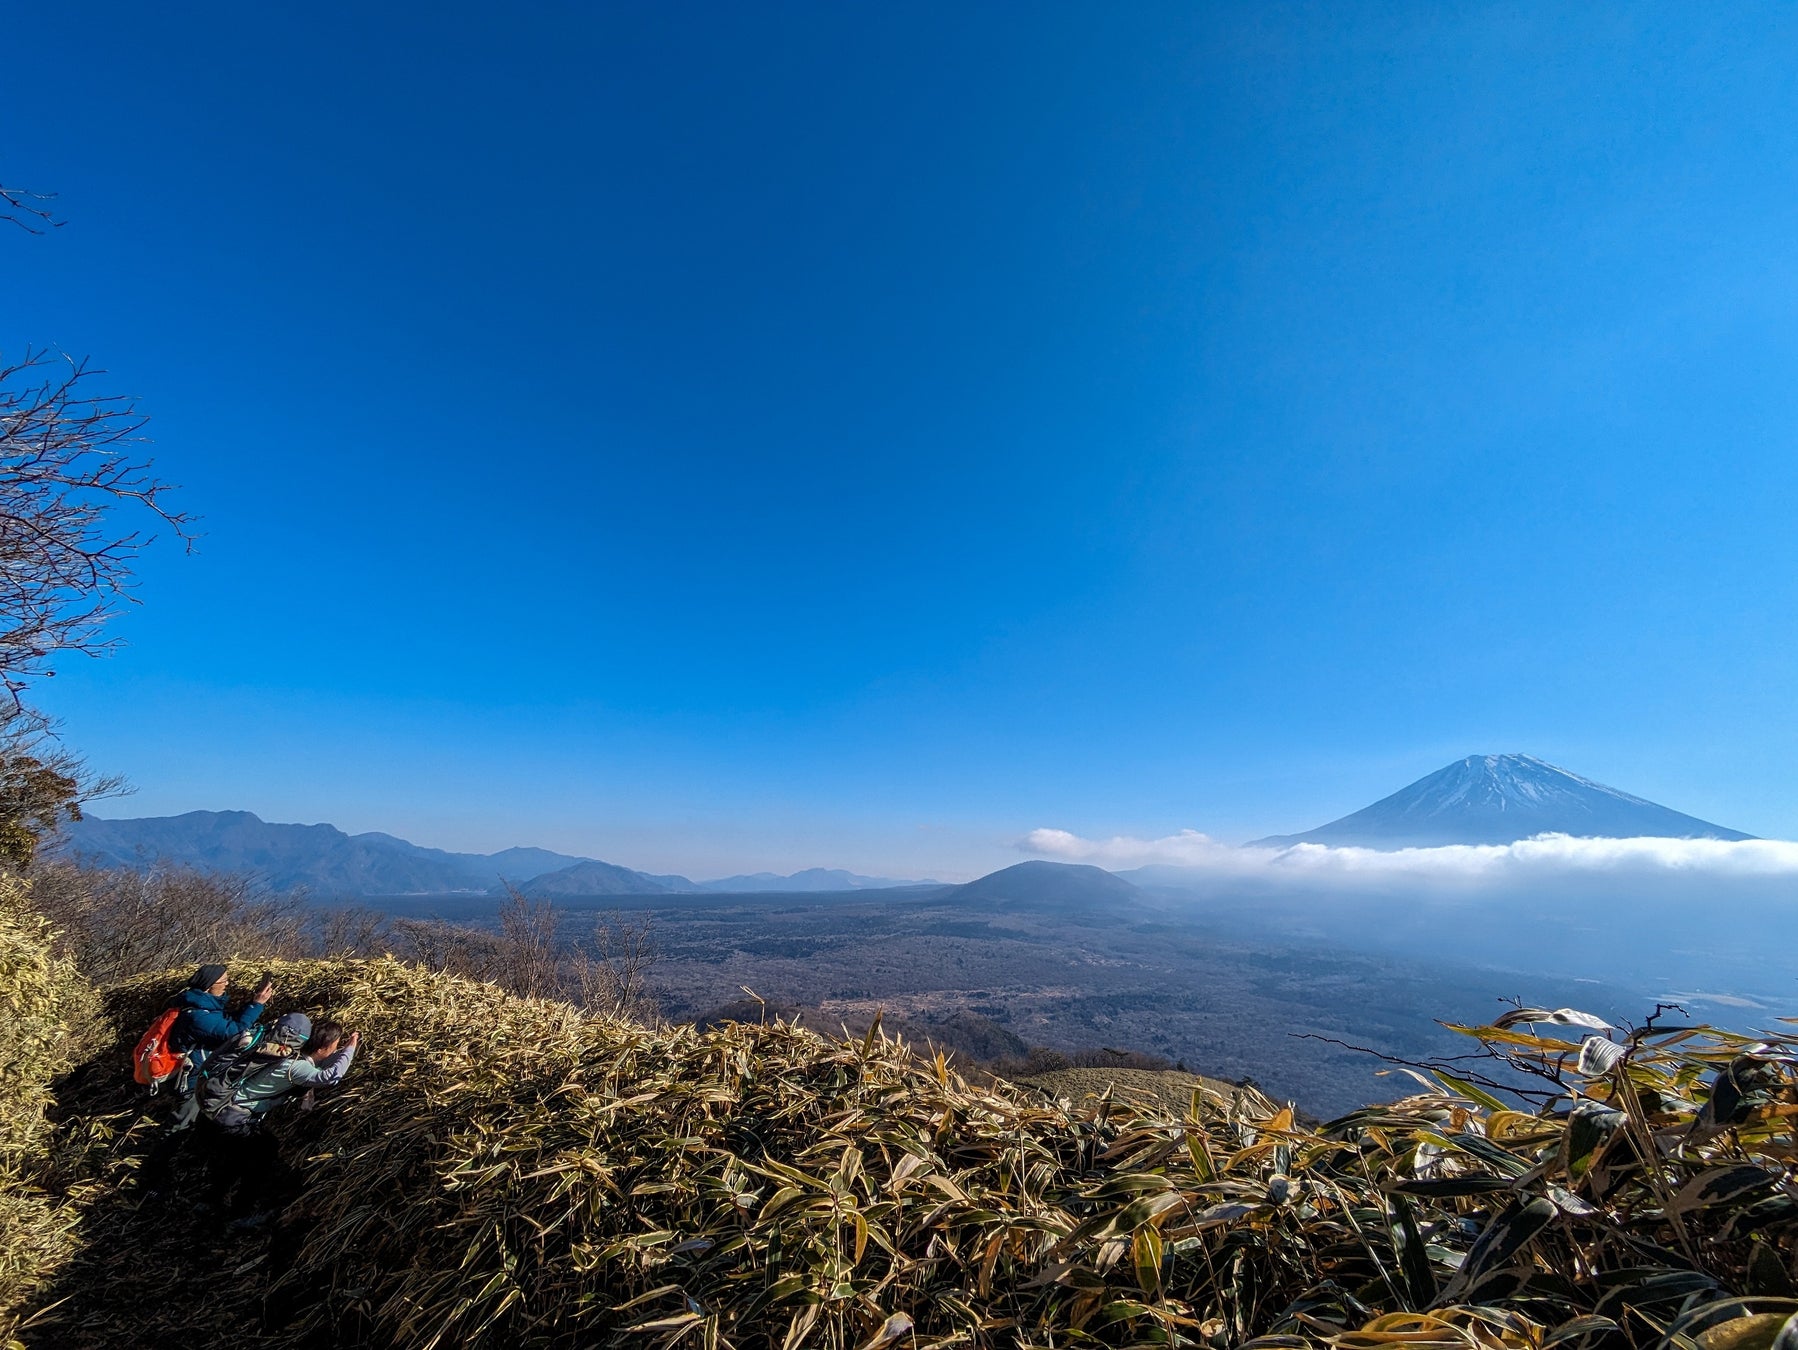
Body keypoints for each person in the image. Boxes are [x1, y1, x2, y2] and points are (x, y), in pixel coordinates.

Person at [197, 1013, 359, 1220]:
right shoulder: (295, 1066)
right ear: (321, 1048)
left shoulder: (291, 1055)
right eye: (335, 1046)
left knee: (239, 1158)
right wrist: (351, 1048)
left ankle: (213, 1201)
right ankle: (239, 1213)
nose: (336, 1050)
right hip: (233, 1116)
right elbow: (329, 1077)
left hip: (226, 1112)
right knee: (260, 1157)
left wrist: (342, 1051)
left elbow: (321, 1065)